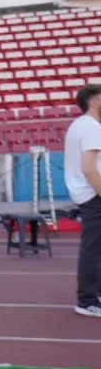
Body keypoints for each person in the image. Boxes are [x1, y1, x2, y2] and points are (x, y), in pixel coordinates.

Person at [64, 84, 101, 318]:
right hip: (93, 195)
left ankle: (93, 294)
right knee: (93, 248)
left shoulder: (82, 126)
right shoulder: (90, 127)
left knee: (96, 247)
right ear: (95, 101)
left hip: (89, 193)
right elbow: (89, 168)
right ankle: (87, 300)